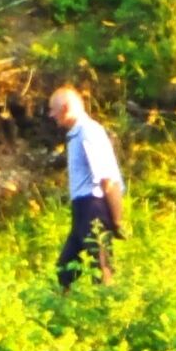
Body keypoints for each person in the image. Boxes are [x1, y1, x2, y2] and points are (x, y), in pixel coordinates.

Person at [49, 84, 123, 289]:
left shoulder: (88, 132)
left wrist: (117, 220)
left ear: (64, 108)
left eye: (53, 109)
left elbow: (107, 180)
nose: (51, 115)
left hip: (94, 207)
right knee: (65, 268)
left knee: (102, 267)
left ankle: (109, 312)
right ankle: (64, 314)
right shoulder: (75, 135)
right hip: (81, 209)